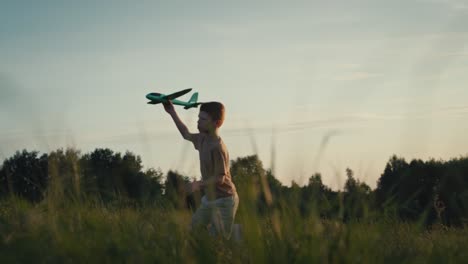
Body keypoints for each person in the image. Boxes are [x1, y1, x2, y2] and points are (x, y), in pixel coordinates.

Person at [163, 100, 239, 239]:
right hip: (209, 200)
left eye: (203, 119)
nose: (198, 122)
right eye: (198, 118)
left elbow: (220, 178)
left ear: (216, 123)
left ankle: (237, 234)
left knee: (217, 242)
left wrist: (198, 184)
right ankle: (234, 233)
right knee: (192, 233)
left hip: (225, 201)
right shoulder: (202, 139)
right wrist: (172, 112)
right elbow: (186, 134)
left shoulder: (218, 147)